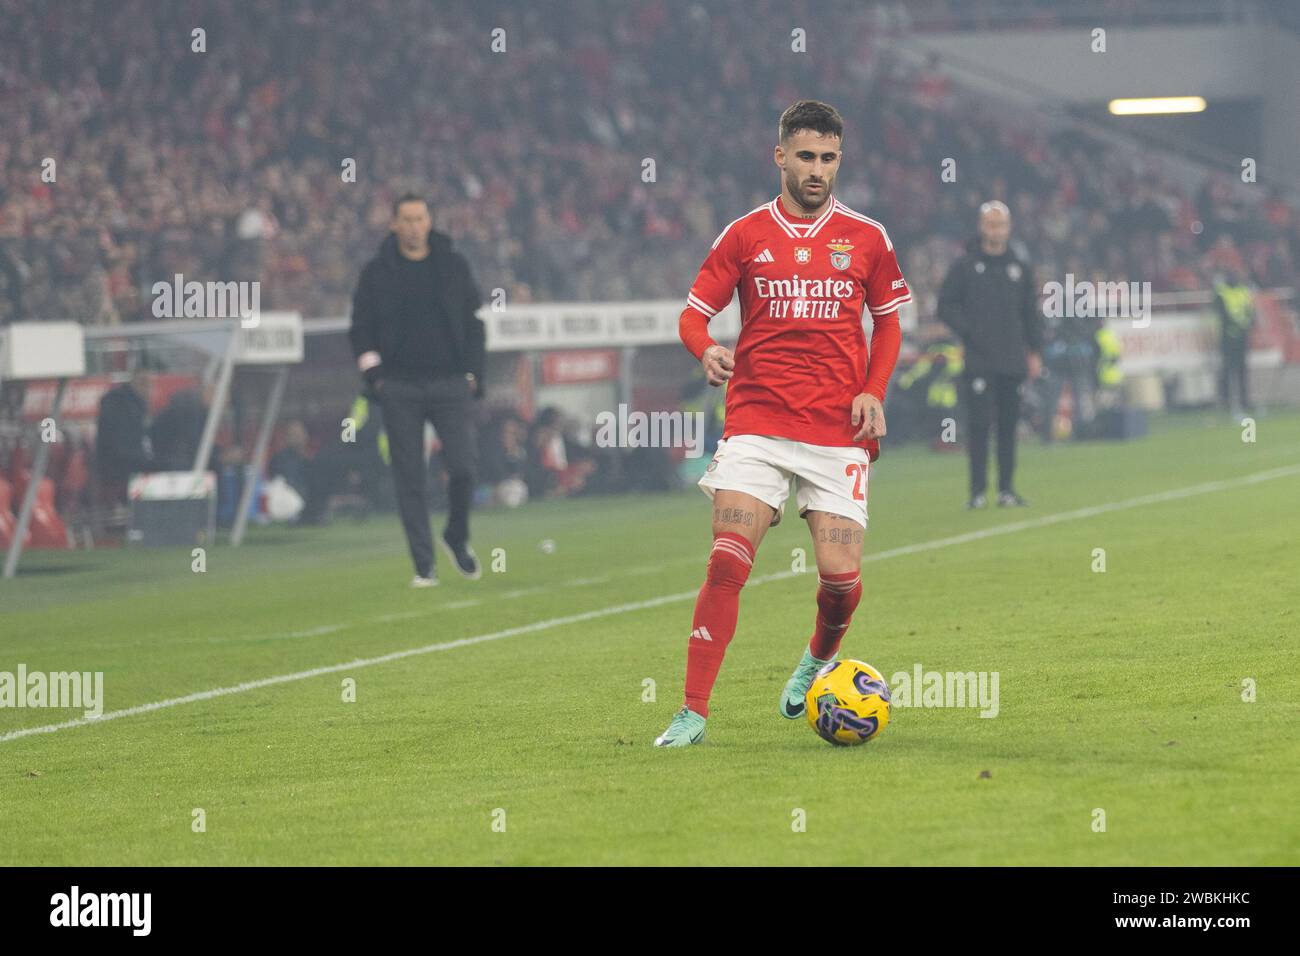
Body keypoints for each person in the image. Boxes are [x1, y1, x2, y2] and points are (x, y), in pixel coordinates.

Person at [655, 100, 908, 747]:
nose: (817, 169)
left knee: (840, 579)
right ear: (780, 157)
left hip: (837, 430)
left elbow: (889, 320)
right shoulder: (743, 235)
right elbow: (692, 314)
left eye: (828, 158)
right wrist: (703, 347)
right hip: (758, 423)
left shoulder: (869, 237)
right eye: (805, 156)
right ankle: (692, 712)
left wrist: (873, 390)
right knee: (727, 561)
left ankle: (814, 663)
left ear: (839, 160)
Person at [348, 193, 486, 587]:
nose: (413, 226)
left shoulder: (452, 264)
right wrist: (375, 377)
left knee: (463, 467)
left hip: (449, 383)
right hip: (399, 386)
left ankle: (456, 536)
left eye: (420, 218)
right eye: (405, 219)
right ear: (393, 224)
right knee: (409, 477)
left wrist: (473, 374)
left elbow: (474, 322)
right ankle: (424, 565)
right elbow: (360, 329)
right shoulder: (377, 272)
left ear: (429, 221)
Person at [937, 201, 1043, 508]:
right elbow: (945, 305)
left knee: (1009, 427)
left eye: (1000, 225)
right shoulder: (965, 266)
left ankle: (1007, 489)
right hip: (979, 359)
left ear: (1008, 228)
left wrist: (1034, 351)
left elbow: (1030, 314)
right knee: (979, 426)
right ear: (981, 226)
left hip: (1012, 358)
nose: (995, 230)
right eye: (990, 224)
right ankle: (977, 492)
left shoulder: (1019, 268)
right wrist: (969, 331)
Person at [94, 367, 154, 504]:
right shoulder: (122, 406)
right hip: (118, 469)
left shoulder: (135, 405)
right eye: (145, 384)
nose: (148, 390)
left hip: (123, 464)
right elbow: (120, 445)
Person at [1213, 267, 1255, 415]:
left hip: (1241, 337)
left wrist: (1248, 323)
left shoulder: (1244, 291)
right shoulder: (1221, 292)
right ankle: (1226, 401)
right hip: (1227, 337)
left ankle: (1244, 402)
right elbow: (1221, 313)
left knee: (1242, 370)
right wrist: (1240, 323)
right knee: (1227, 370)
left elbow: (1250, 310)